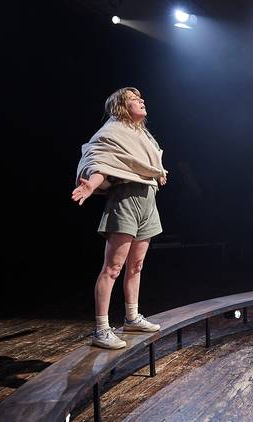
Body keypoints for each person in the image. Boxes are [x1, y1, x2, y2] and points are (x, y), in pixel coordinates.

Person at [72, 87, 168, 349]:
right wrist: (91, 186)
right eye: (135, 100)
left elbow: (149, 162)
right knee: (113, 268)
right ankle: (101, 329)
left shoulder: (142, 134)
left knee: (136, 266)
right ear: (121, 107)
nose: (142, 101)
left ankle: (131, 316)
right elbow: (101, 162)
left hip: (147, 201)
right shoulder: (112, 132)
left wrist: (157, 173)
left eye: (140, 98)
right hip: (125, 201)